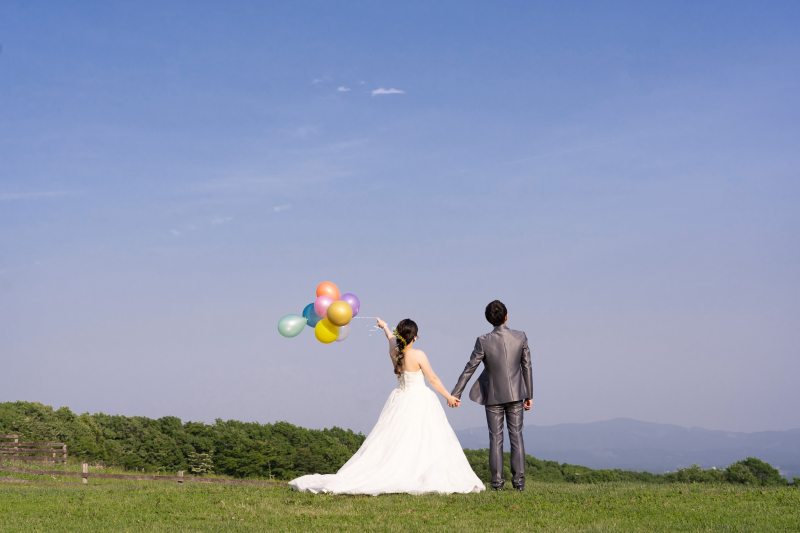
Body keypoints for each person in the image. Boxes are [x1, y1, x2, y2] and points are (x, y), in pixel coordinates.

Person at [288, 318, 485, 495]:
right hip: (419, 398)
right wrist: (449, 397)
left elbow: (390, 337)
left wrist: (384, 327)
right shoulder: (418, 355)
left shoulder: (394, 352)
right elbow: (432, 378)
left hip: (400, 399)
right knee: (423, 438)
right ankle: (415, 472)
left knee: (395, 438)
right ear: (415, 337)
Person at [451, 300, 532, 491]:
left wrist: (456, 393)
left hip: (493, 397)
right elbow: (526, 366)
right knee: (517, 436)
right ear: (506, 316)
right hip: (517, 395)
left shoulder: (483, 340)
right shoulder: (521, 336)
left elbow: (470, 368)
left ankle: (497, 484)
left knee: (495, 438)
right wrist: (529, 394)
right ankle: (519, 484)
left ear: (489, 319)